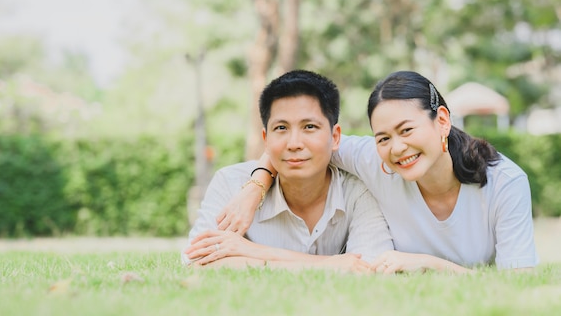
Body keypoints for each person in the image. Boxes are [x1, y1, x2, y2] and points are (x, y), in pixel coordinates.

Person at [219, 71, 539, 273]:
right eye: (383, 137)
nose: (397, 148)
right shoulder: (374, 160)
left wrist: (430, 265)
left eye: (407, 130)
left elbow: (515, 284)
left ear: (442, 121)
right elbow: (298, 146)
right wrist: (255, 188)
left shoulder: (505, 184)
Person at [182, 70, 393, 271]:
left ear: (335, 137)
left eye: (309, 127)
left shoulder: (359, 190)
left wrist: (251, 251)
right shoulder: (231, 184)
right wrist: (328, 266)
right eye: (281, 128)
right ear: (266, 139)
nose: (294, 143)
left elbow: (369, 267)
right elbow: (197, 261)